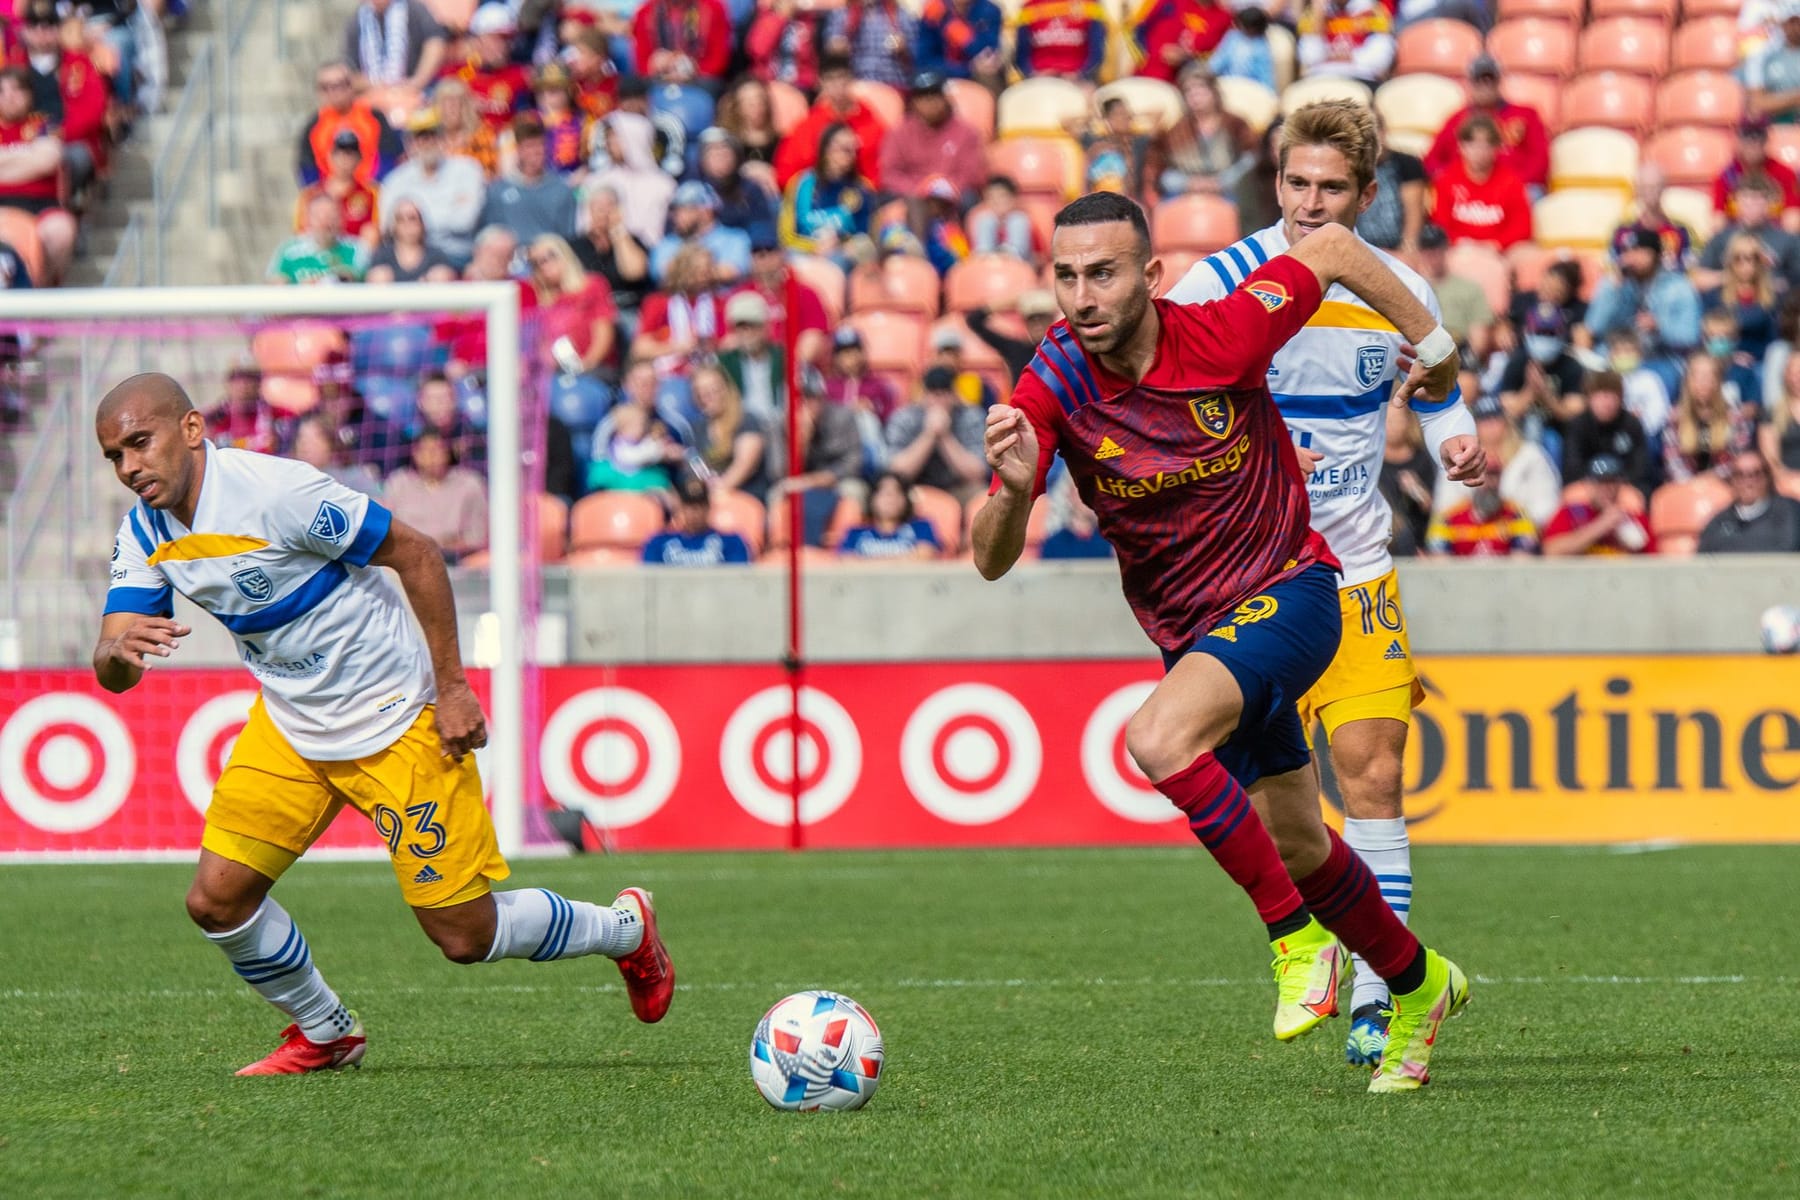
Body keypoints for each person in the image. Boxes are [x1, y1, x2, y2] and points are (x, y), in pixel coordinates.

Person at [978, 191, 1470, 1093]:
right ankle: (1419, 983)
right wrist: (1011, 494)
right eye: (1066, 276)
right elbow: (990, 562)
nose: (1082, 296)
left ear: (1151, 277)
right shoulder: (1049, 382)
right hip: (1195, 634)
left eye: (1104, 273)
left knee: (1157, 740)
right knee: (1302, 846)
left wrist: (1434, 348)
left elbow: (1330, 248)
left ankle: (1295, 944)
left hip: (1294, 590)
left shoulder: (1225, 332)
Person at [91, 373, 673, 1076]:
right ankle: (327, 1030)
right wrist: (113, 655)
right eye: (114, 457)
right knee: (216, 901)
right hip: (293, 724)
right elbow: (116, 657)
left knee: (464, 935)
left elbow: (418, 553)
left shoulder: (278, 494)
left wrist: (452, 688)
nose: (129, 468)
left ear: (190, 429)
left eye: (138, 444)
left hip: (397, 715)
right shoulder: (145, 529)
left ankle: (626, 928)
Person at [1165, 100, 1484, 1068]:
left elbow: (1437, 384)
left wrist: (1451, 435)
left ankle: (1385, 998)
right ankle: (1332, 945)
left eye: (1331, 189)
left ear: (1367, 195)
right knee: (1286, 819)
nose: (1311, 204)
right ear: (1277, 184)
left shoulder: (1397, 289)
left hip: (1357, 574)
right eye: (1297, 184)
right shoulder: (1219, 280)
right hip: (1253, 577)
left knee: (1374, 771)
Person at [11, 0, 108, 201]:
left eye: (48, 25)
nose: (41, 31)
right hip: (19, 143)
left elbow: (93, 110)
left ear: (58, 29)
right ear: (25, 30)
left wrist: (58, 134)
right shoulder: (12, 66)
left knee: (76, 158)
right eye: (34, 25)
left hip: (67, 141)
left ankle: (67, 212)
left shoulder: (79, 64)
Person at [766, 366, 866, 546]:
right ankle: (780, 546)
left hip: (835, 481)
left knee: (856, 491)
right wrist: (799, 443)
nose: (805, 404)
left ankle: (846, 546)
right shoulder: (777, 423)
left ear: (822, 398)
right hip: (793, 481)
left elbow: (854, 464)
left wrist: (812, 481)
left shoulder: (842, 417)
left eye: (811, 397)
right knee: (775, 494)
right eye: (798, 398)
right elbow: (777, 472)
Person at [376, 107, 488, 266]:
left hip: (456, 253)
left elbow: (465, 221)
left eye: (432, 135)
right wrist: (449, 211)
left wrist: (413, 222)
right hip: (410, 256)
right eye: (420, 137)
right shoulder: (396, 180)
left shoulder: (467, 169)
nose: (427, 142)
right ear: (409, 143)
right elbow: (388, 226)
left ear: (442, 138)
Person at [1423, 55, 1549, 195]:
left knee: (1532, 193)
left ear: (1498, 81)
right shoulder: (1457, 120)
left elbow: (1540, 160)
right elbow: (1432, 160)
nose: (1485, 85)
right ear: (1470, 83)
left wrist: (1511, 184)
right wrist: (1453, 180)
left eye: (1490, 79)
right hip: (1467, 191)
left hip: (1514, 189)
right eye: (1479, 80)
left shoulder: (1525, 115)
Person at [1586, 224, 1704, 362]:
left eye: (1638, 250)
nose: (1631, 257)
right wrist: (1612, 289)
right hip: (1616, 355)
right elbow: (1595, 326)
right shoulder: (1616, 284)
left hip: (1662, 359)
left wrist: (1659, 326)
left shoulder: (1679, 287)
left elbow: (1690, 336)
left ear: (1656, 254)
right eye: (1626, 251)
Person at [0, 67, 74, 284]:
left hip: (41, 205)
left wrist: (6, 162)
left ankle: (40, 291)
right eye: (2, 91)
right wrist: (27, 156)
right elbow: (36, 161)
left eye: (16, 90)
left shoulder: (44, 124)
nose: (9, 97)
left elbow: (47, 159)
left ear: (29, 94)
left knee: (61, 230)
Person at [1143, 64, 1256, 203]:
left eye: (1201, 88)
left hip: (1230, 190)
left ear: (1214, 91)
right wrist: (1188, 183)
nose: (1195, 95)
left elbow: (1251, 161)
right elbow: (1162, 172)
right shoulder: (1175, 131)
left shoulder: (1235, 124)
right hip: (1185, 193)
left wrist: (1222, 182)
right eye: (1188, 91)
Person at [773, 55, 886, 192]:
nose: (838, 86)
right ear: (821, 83)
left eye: (842, 78)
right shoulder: (809, 126)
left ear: (851, 80)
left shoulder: (873, 125)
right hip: (819, 197)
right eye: (831, 79)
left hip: (865, 197)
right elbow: (786, 172)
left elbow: (883, 172)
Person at [880, 70, 988, 207]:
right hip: (912, 195)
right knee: (894, 199)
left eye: (936, 95)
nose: (931, 103)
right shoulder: (900, 132)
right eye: (924, 97)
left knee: (970, 199)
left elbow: (974, 174)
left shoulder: (966, 132)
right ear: (913, 102)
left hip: (952, 196)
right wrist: (919, 189)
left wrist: (947, 188)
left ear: (946, 98)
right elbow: (889, 173)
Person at [885, 365, 989, 503]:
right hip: (914, 487)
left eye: (945, 393)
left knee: (981, 494)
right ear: (923, 394)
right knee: (889, 492)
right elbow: (897, 472)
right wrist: (929, 434)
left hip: (959, 486)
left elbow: (977, 473)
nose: (939, 400)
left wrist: (945, 436)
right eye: (933, 393)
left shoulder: (972, 417)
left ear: (955, 394)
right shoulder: (905, 417)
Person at [381, 431, 489, 562]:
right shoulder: (398, 484)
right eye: (425, 450)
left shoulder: (469, 484)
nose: (432, 456)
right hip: (408, 558)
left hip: (459, 558)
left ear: (448, 452)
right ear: (415, 453)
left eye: (437, 450)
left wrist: (446, 545)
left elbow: (477, 536)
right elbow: (389, 532)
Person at [1430, 114, 1532, 250]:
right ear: (1461, 146)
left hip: (1502, 250)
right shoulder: (1446, 180)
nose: (1480, 152)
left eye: (1486, 145)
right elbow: (1440, 224)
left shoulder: (1511, 181)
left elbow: (1521, 227)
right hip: (1458, 249)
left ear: (1497, 148)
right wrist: (1460, 242)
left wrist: (1496, 244)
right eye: (1473, 145)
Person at [296, 61, 402, 189]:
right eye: (326, 87)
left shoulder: (373, 117)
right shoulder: (314, 125)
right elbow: (307, 170)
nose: (334, 92)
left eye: (340, 85)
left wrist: (373, 188)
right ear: (319, 91)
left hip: (371, 193)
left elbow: (389, 158)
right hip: (331, 197)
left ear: (351, 86)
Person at [478, 113, 577, 247]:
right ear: (519, 150)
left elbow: (568, 238)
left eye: (540, 145)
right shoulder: (498, 191)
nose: (536, 151)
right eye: (529, 146)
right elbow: (489, 235)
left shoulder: (561, 190)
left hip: (547, 259)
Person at [1663, 352, 1763, 483]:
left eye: (1709, 376)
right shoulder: (1675, 418)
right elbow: (1673, 461)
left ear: (1719, 381)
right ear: (1687, 381)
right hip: (1686, 487)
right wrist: (1692, 483)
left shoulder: (1735, 417)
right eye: (1697, 376)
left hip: (1724, 485)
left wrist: (1710, 479)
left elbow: (1738, 459)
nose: (1703, 382)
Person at [528, 235, 619, 377]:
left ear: (564, 255)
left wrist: (585, 366)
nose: (543, 265)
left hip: (592, 369)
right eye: (535, 263)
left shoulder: (592, 286)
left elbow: (603, 334)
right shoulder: (538, 298)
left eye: (548, 257)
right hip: (550, 372)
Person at [780, 124, 875, 258]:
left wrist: (840, 244)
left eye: (855, 150)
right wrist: (814, 248)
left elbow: (865, 234)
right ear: (827, 149)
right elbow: (786, 236)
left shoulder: (862, 188)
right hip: (805, 253)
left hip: (843, 254)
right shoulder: (801, 183)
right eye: (845, 149)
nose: (852, 156)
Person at [587, 112, 677, 248]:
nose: (609, 142)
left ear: (634, 138)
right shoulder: (595, 181)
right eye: (608, 136)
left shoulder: (664, 185)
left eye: (615, 136)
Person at [1540, 454, 1656, 557]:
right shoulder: (1572, 514)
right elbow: (1551, 551)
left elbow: (1654, 558)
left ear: (1620, 485)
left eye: (1611, 482)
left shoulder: (1634, 517)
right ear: (1588, 485)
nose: (1606, 489)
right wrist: (1600, 526)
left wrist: (1630, 538)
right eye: (1600, 482)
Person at [1562, 370, 1654, 494]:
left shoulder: (1632, 425)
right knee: (1573, 495)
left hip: (1623, 488)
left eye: (1612, 396)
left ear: (1621, 398)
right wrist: (1599, 486)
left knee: (1637, 496)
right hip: (1588, 487)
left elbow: (1639, 470)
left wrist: (1614, 485)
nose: (1606, 403)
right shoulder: (1578, 425)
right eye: (1600, 395)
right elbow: (1573, 469)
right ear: (1589, 398)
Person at [443, 5, 531, 133]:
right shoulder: (454, 75)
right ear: (478, 40)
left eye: (508, 39)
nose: (504, 45)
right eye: (496, 38)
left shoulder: (520, 76)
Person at [1415, 223, 1493, 363]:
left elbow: (1478, 342)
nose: (1432, 255)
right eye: (1426, 250)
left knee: (1467, 381)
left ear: (1446, 249)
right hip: (1419, 354)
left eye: (1436, 249)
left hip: (1458, 354)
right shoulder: (1412, 288)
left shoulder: (1470, 289)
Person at [651, 181, 753, 286]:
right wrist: (711, 271)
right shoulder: (667, 243)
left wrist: (682, 271)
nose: (675, 216)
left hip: (724, 300)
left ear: (706, 211)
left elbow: (732, 271)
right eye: (675, 211)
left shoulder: (736, 238)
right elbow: (663, 273)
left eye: (682, 209)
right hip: (680, 301)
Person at [692, 362, 770, 500]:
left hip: (746, 497)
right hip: (714, 500)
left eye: (713, 390)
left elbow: (744, 465)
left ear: (726, 388)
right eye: (701, 393)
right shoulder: (699, 428)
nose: (707, 397)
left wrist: (717, 491)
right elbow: (697, 466)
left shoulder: (746, 421)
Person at [1698, 449, 1800, 552]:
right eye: (1740, 475)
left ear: (1767, 478)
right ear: (1732, 480)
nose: (1748, 483)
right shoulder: (1720, 521)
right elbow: (1705, 557)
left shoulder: (1789, 512)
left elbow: (1789, 550)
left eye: (1755, 474)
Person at [642, 471, 754, 564]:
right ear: (680, 507)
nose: (695, 512)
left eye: (700, 505)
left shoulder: (730, 542)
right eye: (689, 506)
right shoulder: (659, 543)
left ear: (709, 507)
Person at [573, 186, 652, 315]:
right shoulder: (577, 245)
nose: (604, 211)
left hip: (627, 308)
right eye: (598, 206)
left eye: (610, 205)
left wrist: (618, 230)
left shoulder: (633, 241)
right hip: (591, 312)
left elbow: (634, 273)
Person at [296, 130, 382, 247]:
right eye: (339, 153)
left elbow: (377, 231)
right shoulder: (310, 194)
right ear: (330, 156)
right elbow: (300, 232)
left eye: (350, 153)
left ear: (360, 158)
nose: (345, 159)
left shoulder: (372, 193)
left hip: (356, 257)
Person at [1355, 114, 1425, 255]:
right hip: (1358, 249)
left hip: (1398, 250)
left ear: (1384, 131)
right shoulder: (1351, 167)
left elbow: (1414, 214)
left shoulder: (1407, 164)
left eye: (1375, 132)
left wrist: (1407, 251)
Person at [696, 127, 778, 247]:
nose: (721, 158)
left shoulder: (751, 189)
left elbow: (762, 227)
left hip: (745, 248)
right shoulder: (694, 191)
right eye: (714, 154)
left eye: (725, 152)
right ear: (703, 160)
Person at [1423, 473, 1539, 557]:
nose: (1487, 483)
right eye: (1479, 476)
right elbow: (1439, 562)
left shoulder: (1517, 516)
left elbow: (1523, 562)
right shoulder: (1448, 517)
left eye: (1493, 475)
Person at [342, 0, 446, 93]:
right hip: (373, 93)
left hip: (417, 90)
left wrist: (417, 83)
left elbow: (436, 43)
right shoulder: (358, 18)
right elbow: (348, 68)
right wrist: (372, 85)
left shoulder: (415, 9)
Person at [1714, 117, 1800, 225]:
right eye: (1747, 136)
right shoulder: (1726, 176)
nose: (1753, 142)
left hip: (1775, 237)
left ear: (1767, 139)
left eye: (1759, 135)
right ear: (1738, 140)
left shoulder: (1785, 173)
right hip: (1738, 236)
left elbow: (1792, 218)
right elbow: (1718, 221)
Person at [716, 291, 786, 422]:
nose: (747, 332)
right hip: (743, 427)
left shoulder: (783, 357)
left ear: (765, 327)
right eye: (740, 327)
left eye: (752, 325)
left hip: (778, 423)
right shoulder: (725, 362)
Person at [838, 472, 942, 559]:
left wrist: (869, 564)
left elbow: (924, 557)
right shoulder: (856, 532)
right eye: (884, 493)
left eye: (897, 493)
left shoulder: (921, 527)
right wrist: (903, 560)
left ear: (906, 500)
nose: (890, 499)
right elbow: (847, 562)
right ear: (872, 499)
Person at [268, 194, 366, 285]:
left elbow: (358, 276)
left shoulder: (356, 248)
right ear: (307, 219)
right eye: (318, 216)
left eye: (331, 216)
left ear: (341, 219)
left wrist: (324, 281)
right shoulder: (289, 250)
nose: (325, 222)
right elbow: (275, 281)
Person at [633, 0, 734, 88]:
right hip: (659, 77)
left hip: (699, 79)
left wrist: (692, 68)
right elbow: (642, 63)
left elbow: (719, 59)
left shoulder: (713, 8)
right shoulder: (646, 12)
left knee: (710, 85)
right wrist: (655, 64)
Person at [1377, 402, 1435, 557]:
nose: (1394, 427)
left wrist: (1416, 491)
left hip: (1418, 538)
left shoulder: (1422, 458)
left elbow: (1432, 507)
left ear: (1409, 422)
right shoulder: (1374, 460)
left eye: (1399, 420)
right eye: (1388, 421)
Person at [822, 0, 920, 89]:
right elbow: (829, 49)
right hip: (855, 85)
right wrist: (838, 47)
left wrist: (903, 48)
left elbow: (918, 57)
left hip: (892, 84)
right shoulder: (841, 14)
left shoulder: (901, 15)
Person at [1296, 0, 1395, 87]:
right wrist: (1318, 16)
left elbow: (1380, 59)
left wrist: (1343, 57)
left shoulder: (1374, 10)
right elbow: (1310, 57)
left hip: (1360, 80)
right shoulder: (1314, 12)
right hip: (1320, 79)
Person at [967, 290, 1059, 382]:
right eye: (1031, 320)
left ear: (1051, 319)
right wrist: (1008, 304)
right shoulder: (1017, 350)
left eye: (1042, 319)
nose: (1037, 325)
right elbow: (974, 321)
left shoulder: (1064, 350)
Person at [1131, 0, 1231, 84]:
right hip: (1150, 70)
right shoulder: (1171, 3)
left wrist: (1187, 56)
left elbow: (1219, 55)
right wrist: (1156, 52)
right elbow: (1140, 32)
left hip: (1189, 80)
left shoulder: (1224, 17)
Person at [1011, 0, 1110, 81]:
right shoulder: (1028, 8)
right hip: (1039, 78)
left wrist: (1080, 74)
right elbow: (1021, 54)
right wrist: (1032, 73)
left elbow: (1097, 52)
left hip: (1078, 80)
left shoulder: (1091, 5)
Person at [914, 0, 1005, 88]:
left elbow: (987, 55)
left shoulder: (990, 10)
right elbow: (923, 60)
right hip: (941, 77)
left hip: (978, 78)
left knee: (989, 74)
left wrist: (953, 26)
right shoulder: (934, 8)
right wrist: (966, 69)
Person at [289, 414, 384, 498]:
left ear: (330, 444)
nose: (304, 445)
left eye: (313, 440)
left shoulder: (354, 477)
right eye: (301, 438)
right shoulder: (291, 478)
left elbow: (379, 507)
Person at [364, 199, 457, 283]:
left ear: (422, 223)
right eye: (401, 219)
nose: (407, 224)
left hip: (426, 301)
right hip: (390, 301)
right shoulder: (382, 256)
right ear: (393, 225)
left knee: (441, 275)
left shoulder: (436, 256)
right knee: (379, 275)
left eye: (412, 218)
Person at [745, 0, 827, 93]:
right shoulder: (767, 19)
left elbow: (808, 57)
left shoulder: (805, 22)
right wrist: (781, 18)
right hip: (770, 84)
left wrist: (811, 79)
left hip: (800, 85)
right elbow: (758, 50)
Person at [1747, 2, 1800, 126]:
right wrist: (1795, 98)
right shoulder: (1762, 56)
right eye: (1793, 21)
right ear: (1783, 23)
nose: (1797, 27)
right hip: (1775, 129)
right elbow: (1756, 104)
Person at [970, 175, 1044, 262]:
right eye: (991, 197)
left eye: (1002, 197)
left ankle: (1009, 254)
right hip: (989, 266)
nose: (996, 201)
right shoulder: (984, 220)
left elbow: (1039, 256)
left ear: (1013, 199)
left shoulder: (1022, 221)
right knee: (986, 221)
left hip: (1018, 265)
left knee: (1017, 220)